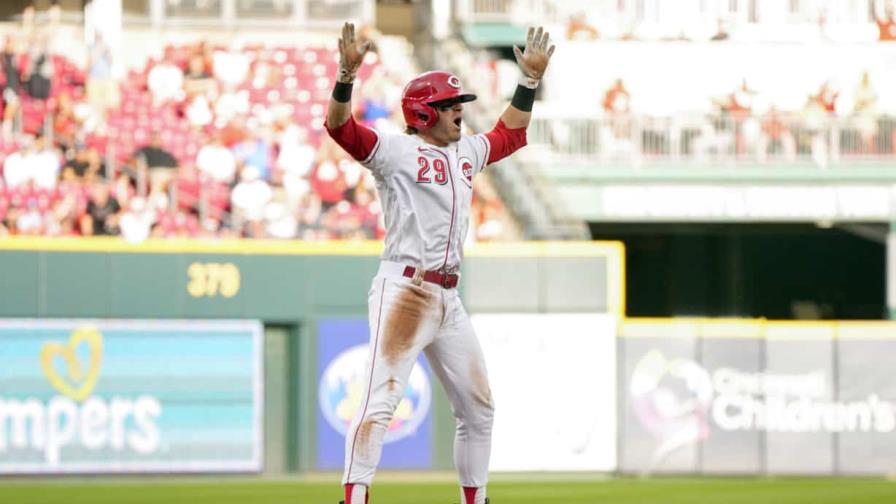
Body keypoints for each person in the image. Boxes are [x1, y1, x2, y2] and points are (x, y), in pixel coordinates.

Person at [325, 22, 554, 504]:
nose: (459, 113)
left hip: (449, 296)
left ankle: (476, 499)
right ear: (424, 111)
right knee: (380, 400)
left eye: (459, 106)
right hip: (404, 289)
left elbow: (509, 134)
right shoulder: (396, 150)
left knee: (479, 409)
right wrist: (346, 74)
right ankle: (354, 497)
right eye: (451, 106)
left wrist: (528, 82)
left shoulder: (466, 151)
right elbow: (340, 129)